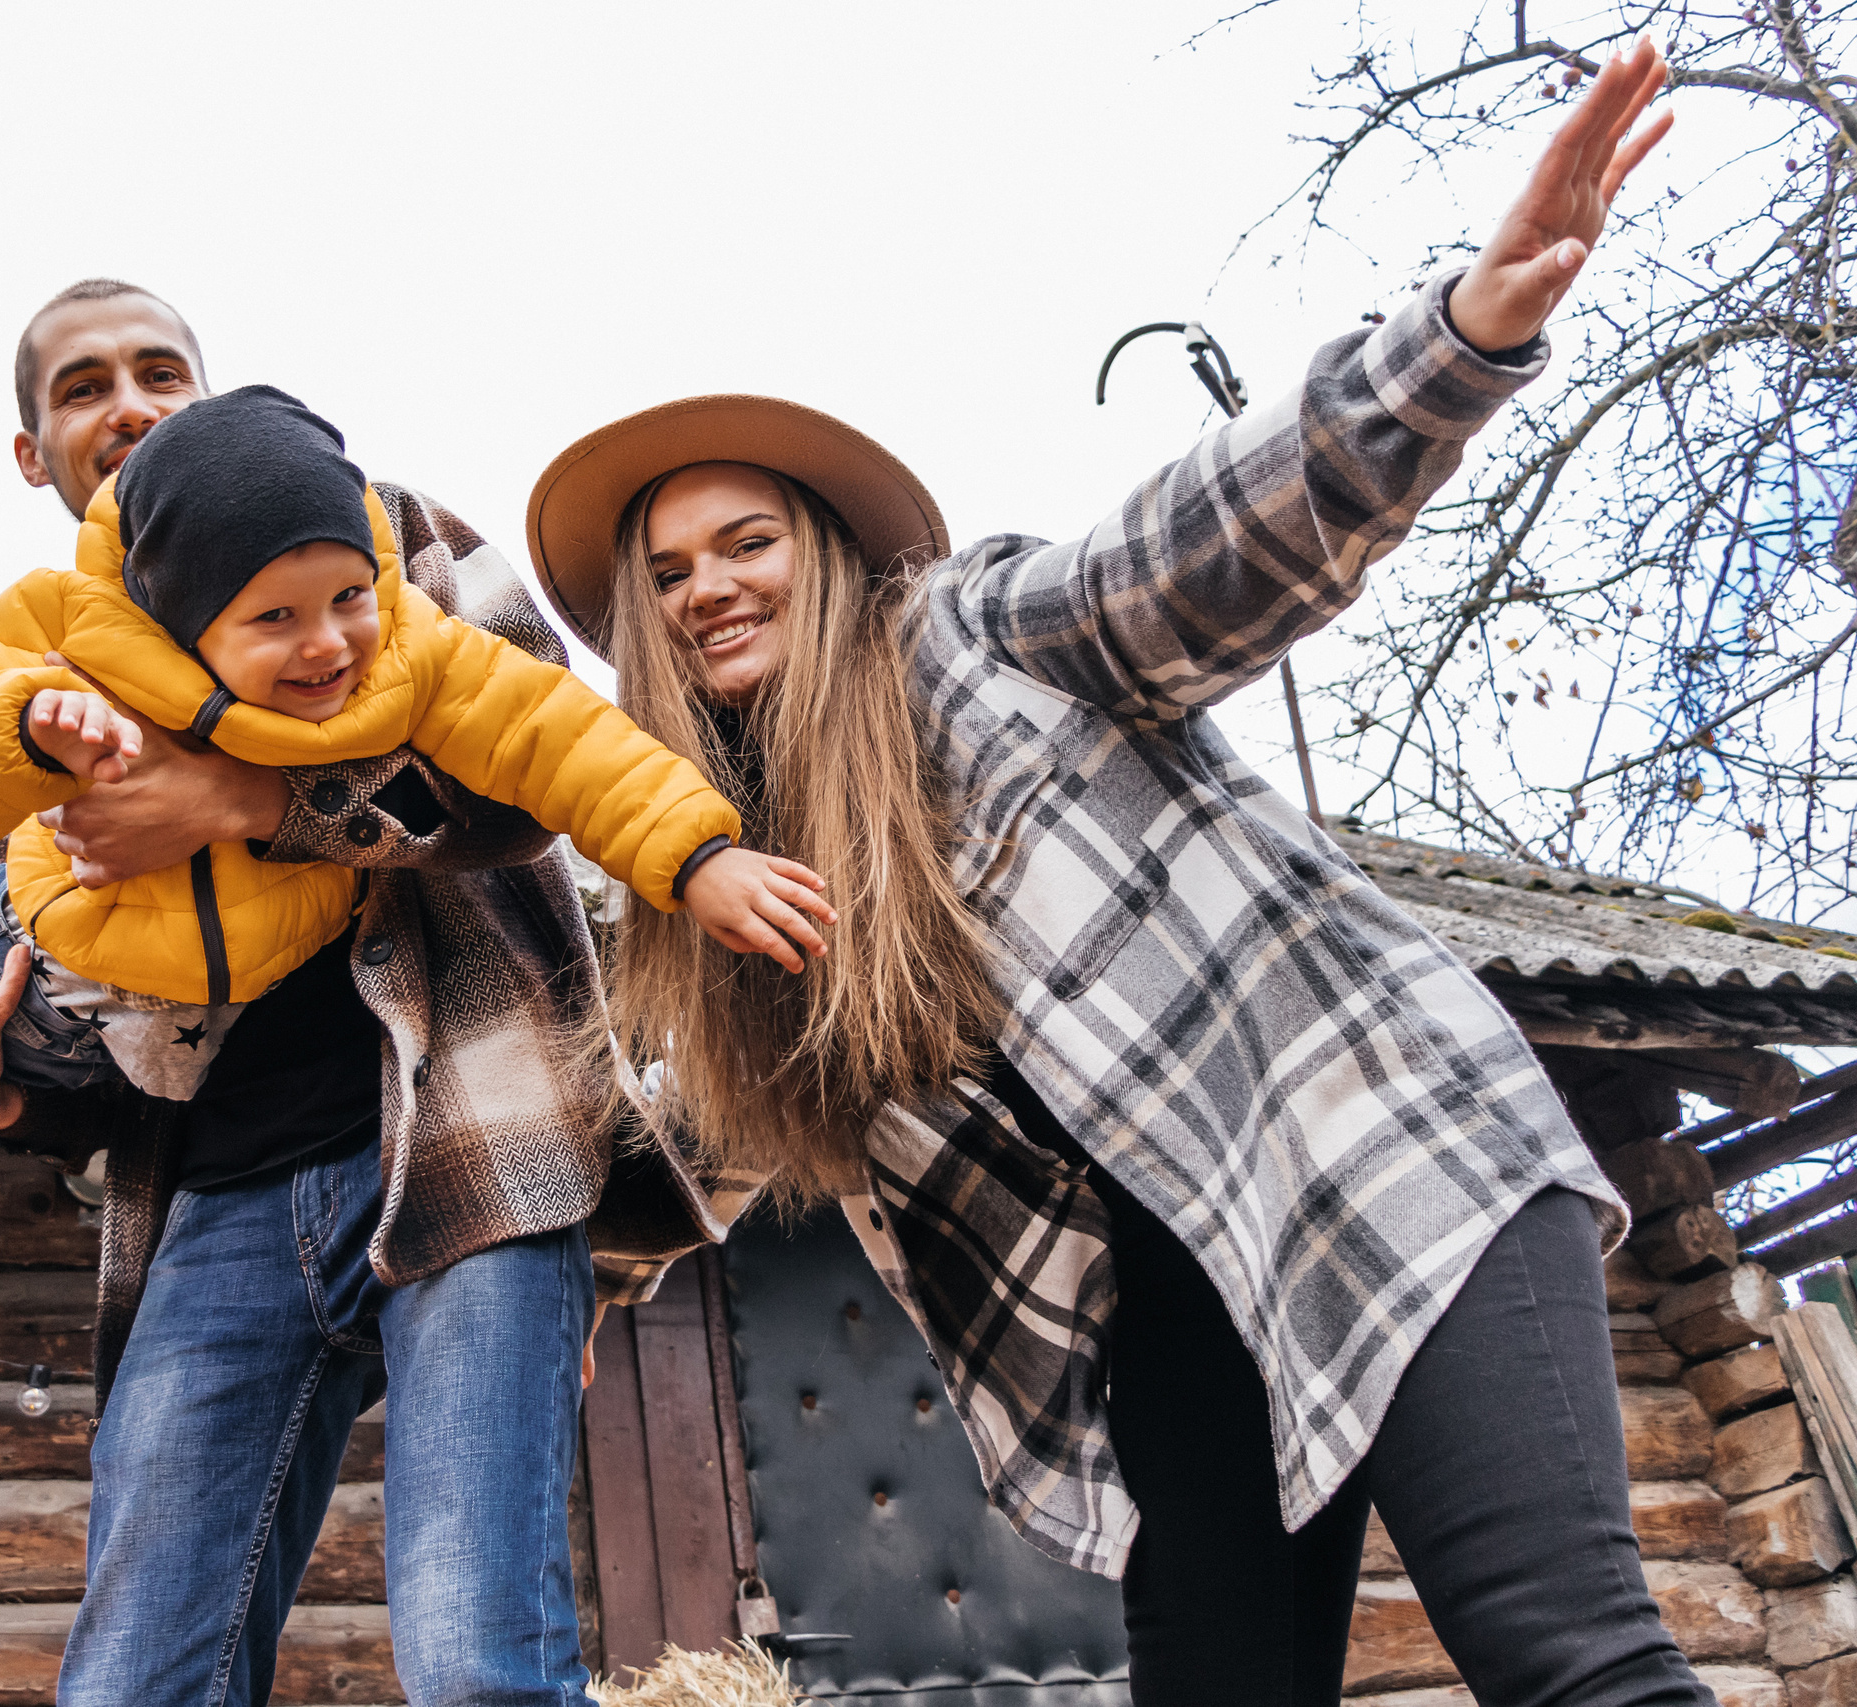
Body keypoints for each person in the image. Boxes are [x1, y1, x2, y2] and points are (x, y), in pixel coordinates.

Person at [528, 42, 1700, 1707]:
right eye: (671, 573)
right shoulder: (727, 915)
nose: (711, 585)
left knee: (1562, 1651)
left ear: (827, 550)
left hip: (1371, 1151)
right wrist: (543, 1288)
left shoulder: (975, 636)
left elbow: (1218, 536)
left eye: (747, 541)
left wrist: (1461, 337)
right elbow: (665, 1136)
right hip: (1169, 1313)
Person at [0, 279, 718, 1707]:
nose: (133, 402)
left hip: (467, 1131)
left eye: (161, 368)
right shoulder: (61, 669)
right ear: (36, 456)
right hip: (216, 1204)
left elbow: (530, 760)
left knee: (483, 1665)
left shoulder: (378, 530)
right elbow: (100, 1016)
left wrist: (250, 795)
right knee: (134, 1684)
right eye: (86, 385)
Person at [0, 382, 830, 1095]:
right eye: (274, 619)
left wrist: (699, 855)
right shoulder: (71, 634)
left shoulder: (412, 630)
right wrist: (23, 724)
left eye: (348, 598)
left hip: (305, 1029)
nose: (328, 643)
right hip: (81, 990)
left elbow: (557, 735)